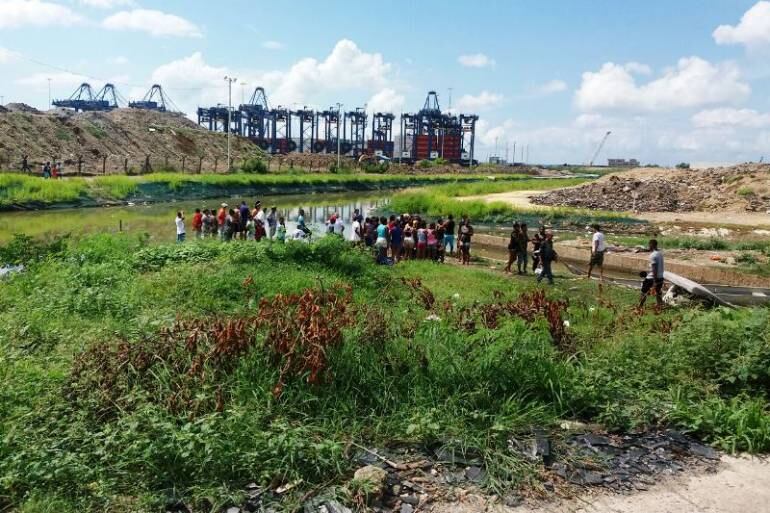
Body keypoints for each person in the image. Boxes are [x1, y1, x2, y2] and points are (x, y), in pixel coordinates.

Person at [639, 239, 665, 310]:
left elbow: (654, 269)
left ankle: (639, 307)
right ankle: (660, 307)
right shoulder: (660, 254)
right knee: (658, 292)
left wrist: (654, 281)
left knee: (643, 292)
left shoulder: (653, 255)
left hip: (652, 278)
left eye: (649, 245)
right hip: (661, 277)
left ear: (651, 245)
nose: (648, 247)